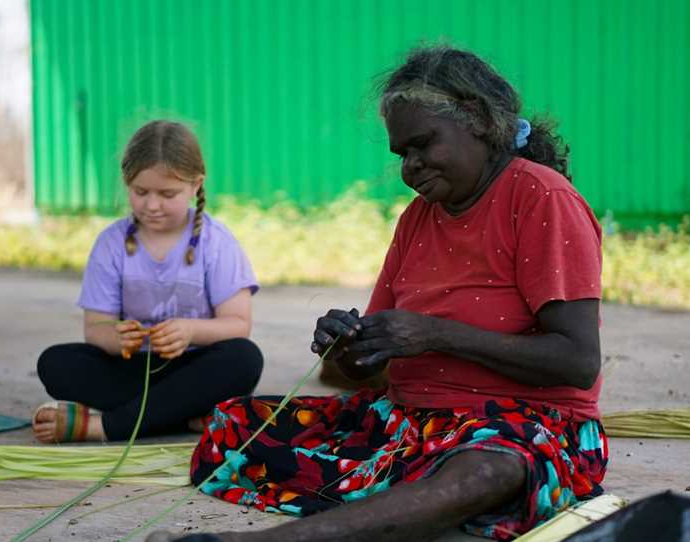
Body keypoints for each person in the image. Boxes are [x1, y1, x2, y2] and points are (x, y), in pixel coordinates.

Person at [157, 45, 608, 542]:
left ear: (477, 119)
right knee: (236, 427)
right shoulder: (417, 219)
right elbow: (359, 373)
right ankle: (414, 501)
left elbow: (578, 360)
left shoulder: (541, 198)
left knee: (488, 471)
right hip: (410, 425)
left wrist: (437, 334)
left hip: (523, 427)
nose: (411, 167)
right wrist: (346, 347)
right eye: (402, 155)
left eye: (423, 144)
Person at [32, 120, 263, 443]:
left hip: (194, 368)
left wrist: (190, 330)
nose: (151, 205)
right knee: (55, 363)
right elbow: (96, 329)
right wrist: (118, 338)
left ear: (196, 185)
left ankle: (103, 427)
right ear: (127, 183)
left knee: (244, 358)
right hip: (136, 369)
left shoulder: (217, 242)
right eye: (140, 192)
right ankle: (183, 416)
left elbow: (238, 324)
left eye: (168, 194)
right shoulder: (111, 244)